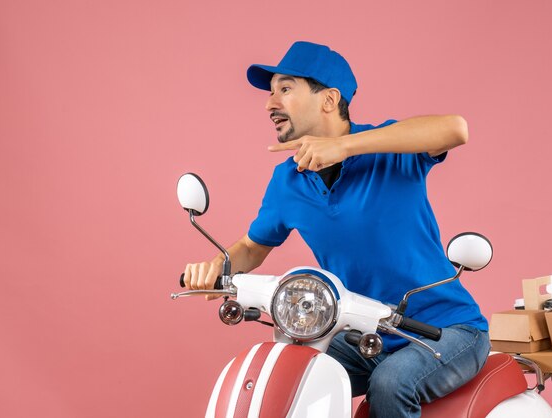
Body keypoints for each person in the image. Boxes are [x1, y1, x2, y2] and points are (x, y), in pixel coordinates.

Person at [183, 41, 490, 418]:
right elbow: (252, 246)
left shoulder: (389, 152)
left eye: (285, 89)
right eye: (270, 92)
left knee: (391, 384)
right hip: (364, 334)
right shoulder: (287, 181)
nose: (269, 104)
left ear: (328, 100)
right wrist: (217, 265)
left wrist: (344, 147)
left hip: (446, 330)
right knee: (285, 372)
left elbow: (455, 129)